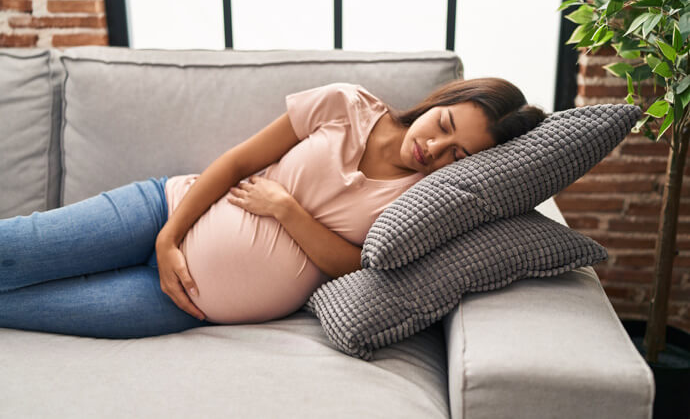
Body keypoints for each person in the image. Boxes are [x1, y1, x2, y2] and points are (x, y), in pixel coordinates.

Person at [0, 78, 546, 339]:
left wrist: (287, 209)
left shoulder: (423, 200)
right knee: (14, 254)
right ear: (441, 102)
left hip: (182, 304)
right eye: (444, 127)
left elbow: (357, 266)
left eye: (458, 155)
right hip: (160, 212)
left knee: (15, 310)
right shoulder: (345, 105)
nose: (436, 149)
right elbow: (238, 161)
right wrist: (167, 238)